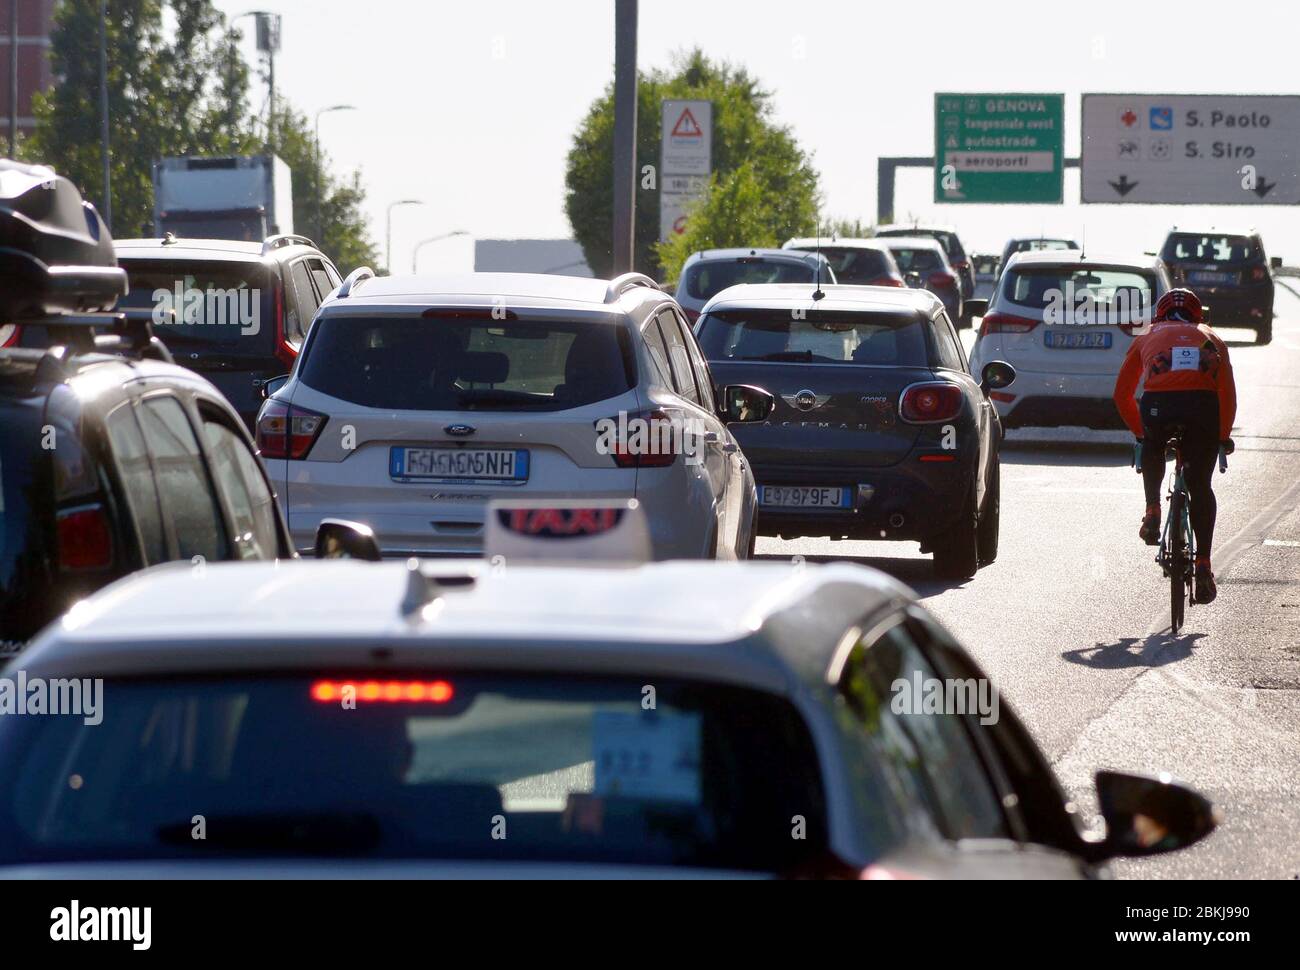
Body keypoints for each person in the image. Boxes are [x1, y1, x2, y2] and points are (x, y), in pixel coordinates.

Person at [1113, 288, 1237, 604]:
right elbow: (1226, 394)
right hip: (1202, 409)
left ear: (1159, 315)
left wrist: (1143, 434)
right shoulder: (1212, 337)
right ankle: (1204, 565)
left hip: (1160, 406)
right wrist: (1222, 435)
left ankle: (1153, 509)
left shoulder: (1147, 335)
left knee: (1153, 445)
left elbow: (1122, 395)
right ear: (1199, 316)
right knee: (1200, 485)